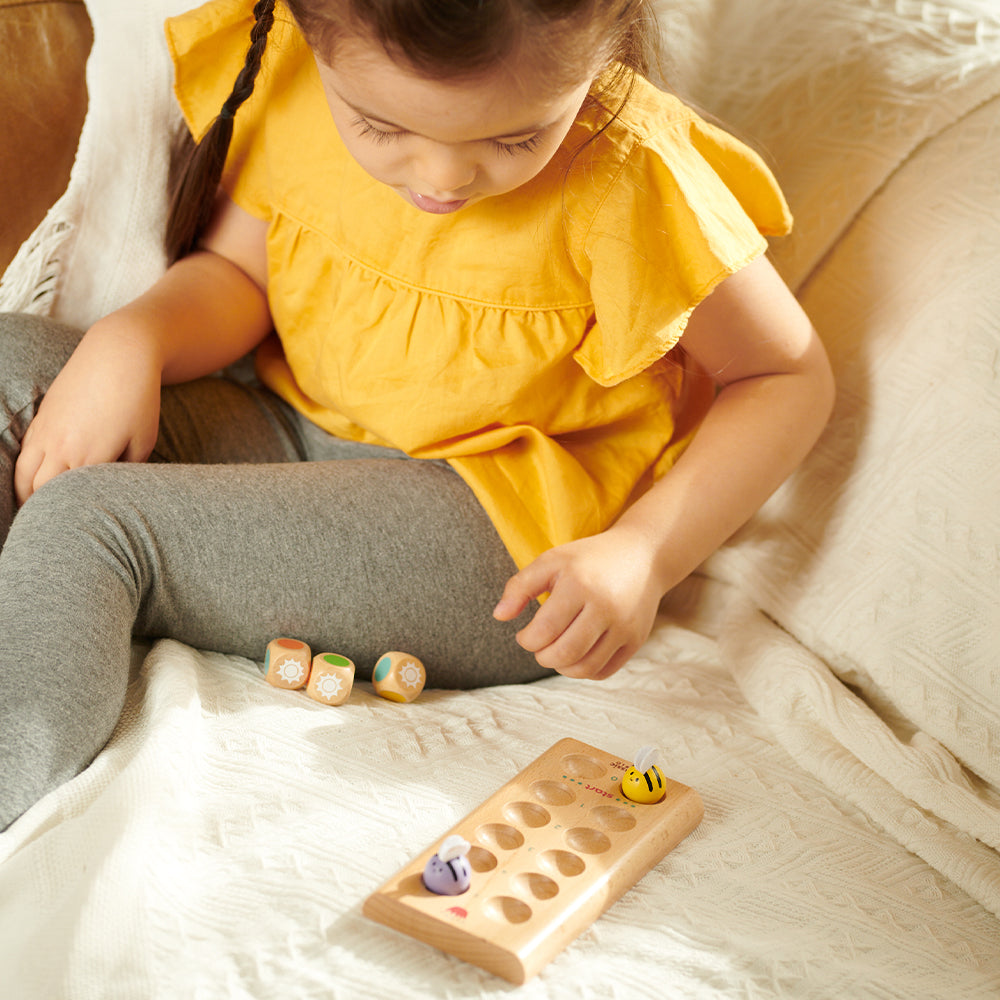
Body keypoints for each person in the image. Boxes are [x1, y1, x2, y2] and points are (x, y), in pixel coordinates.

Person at [0, 0, 834, 829]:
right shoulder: (295, 71)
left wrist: (644, 555)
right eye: (380, 127)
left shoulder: (634, 175)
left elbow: (784, 375)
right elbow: (244, 281)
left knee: (91, 522)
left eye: (515, 139)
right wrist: (133, 337)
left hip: (491, 531)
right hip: (289, 432)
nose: (440, 180)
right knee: (13, 360)